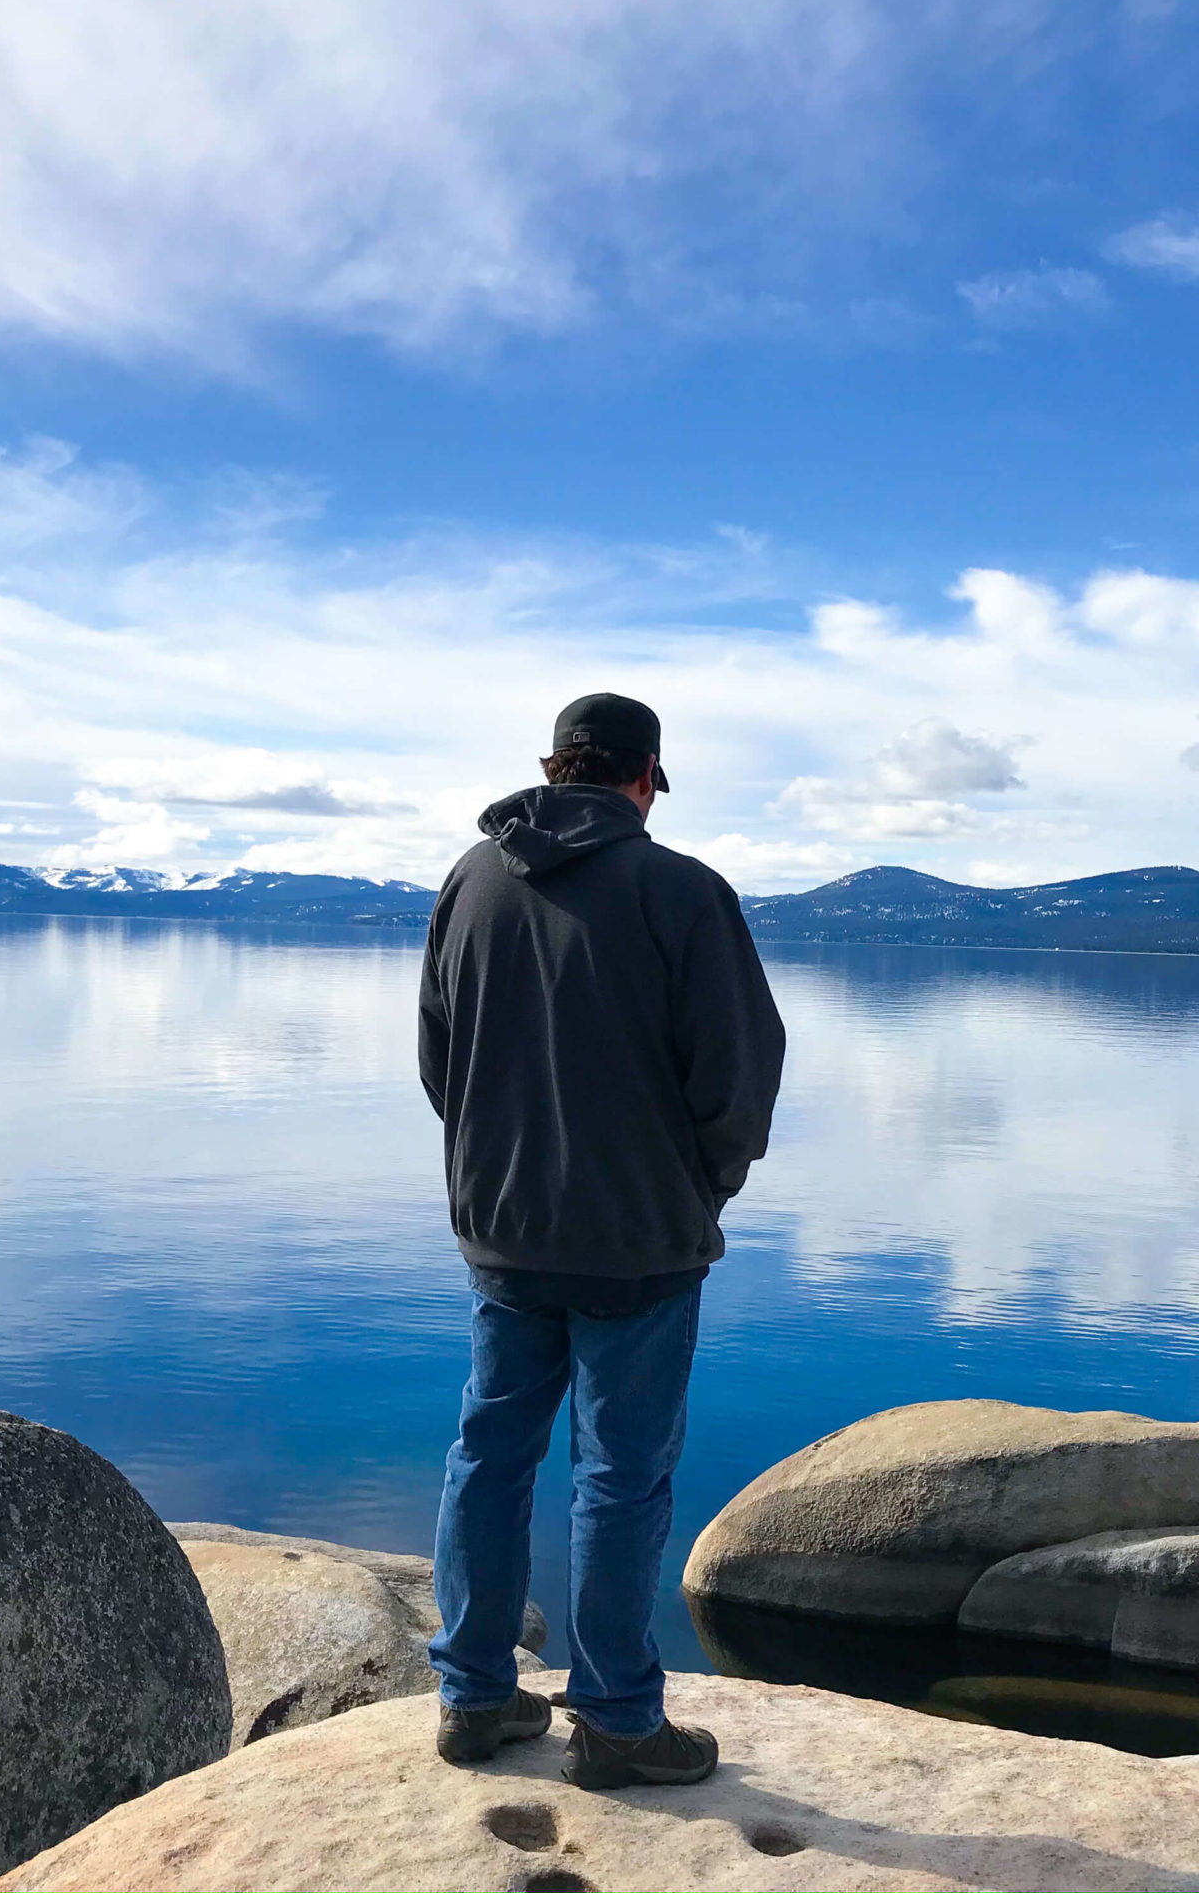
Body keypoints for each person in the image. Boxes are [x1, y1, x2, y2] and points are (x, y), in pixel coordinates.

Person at [418, 692, 786, 1790]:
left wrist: (494, 1171)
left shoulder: (470, 881)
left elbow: (440, 1059)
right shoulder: (681, 891)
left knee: (488, 1452)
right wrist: (698, 1190)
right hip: (638, 1243)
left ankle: (474, 1697)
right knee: (620, 1478)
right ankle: (619, 1721)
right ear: (643, 779)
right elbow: (739, 1077)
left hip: (504, 1230)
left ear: (555, 766)